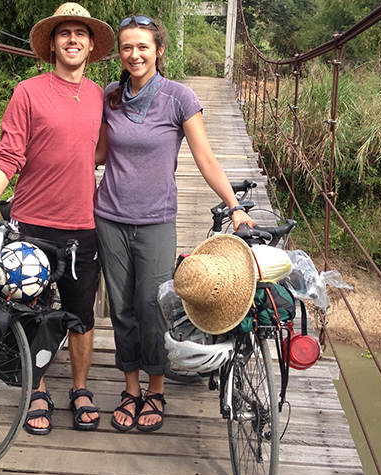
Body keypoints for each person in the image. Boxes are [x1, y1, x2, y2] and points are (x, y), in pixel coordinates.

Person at [94, 15, 256, 433]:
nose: (134, 54)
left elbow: (204, 158)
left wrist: (234, 206)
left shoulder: (179, 97)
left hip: (156, 220)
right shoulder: (110, 95)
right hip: (109, 215)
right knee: (122, 308)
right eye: (127, 47)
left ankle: (157, 388)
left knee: (154, 307)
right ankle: (131, 389)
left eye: (143, 47)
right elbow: (93, 154)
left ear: (159, 51)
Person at [0, 3, 114, 435]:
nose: (72, 39)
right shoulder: (27, 91)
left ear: (90, 45)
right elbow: (7, 154)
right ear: (52, 44)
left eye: (80, 33)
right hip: (31, 223)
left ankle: (80, 388)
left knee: (80, 313)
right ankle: (38, 389)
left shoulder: (99, 94)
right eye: (64, 33)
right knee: (30, 312)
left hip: (84, 224)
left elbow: (101, 149)